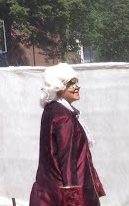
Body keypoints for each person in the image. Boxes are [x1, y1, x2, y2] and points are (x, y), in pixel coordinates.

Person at [30, 64, 105, 206]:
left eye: (76, 82)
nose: (77, 86)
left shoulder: (51, 109)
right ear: (58, 87)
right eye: (71, 83)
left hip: (49, 190)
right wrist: (73, 200)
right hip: (67, 193)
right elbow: (67, 160)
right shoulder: (64, 117)